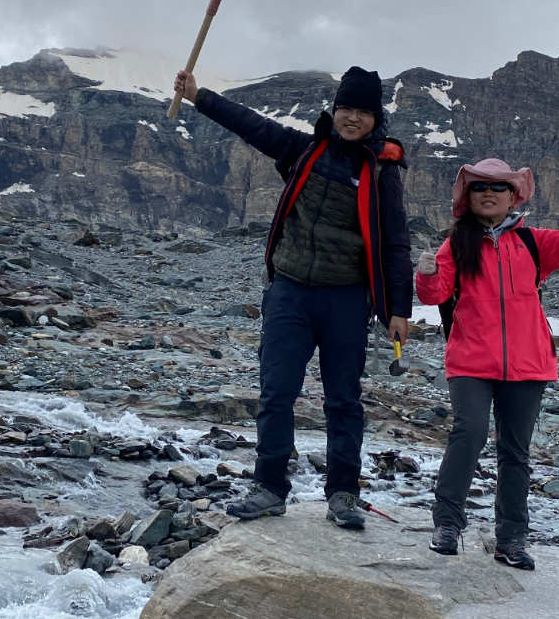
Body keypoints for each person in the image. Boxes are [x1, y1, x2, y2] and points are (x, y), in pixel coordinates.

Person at [173, 66, 412, 530]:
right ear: (334, 110)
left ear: (375, 119)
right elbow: (252, 125)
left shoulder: (381, 172)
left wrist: (398, 309)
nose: (353, 118)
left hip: (347, 299)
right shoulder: (305, 149)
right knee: (276, 393)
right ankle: (268, 488)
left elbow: (396, 244)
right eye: (346, 109)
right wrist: (200, 97)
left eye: (363, 112)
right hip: (290, 292)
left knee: (343, 400)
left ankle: (343, 493)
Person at [415, 158, 559, 569]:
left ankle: (512, 539)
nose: (489, 193)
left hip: (527, 364)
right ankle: (447, 523)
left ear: (512, 195)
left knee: (515, 452)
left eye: (498, 186)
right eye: (479, 186)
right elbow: (434, 296)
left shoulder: (533, 242)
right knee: (468, 434)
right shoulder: (456, 245)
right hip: (471, 361)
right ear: (467, 196)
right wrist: (427, 275)